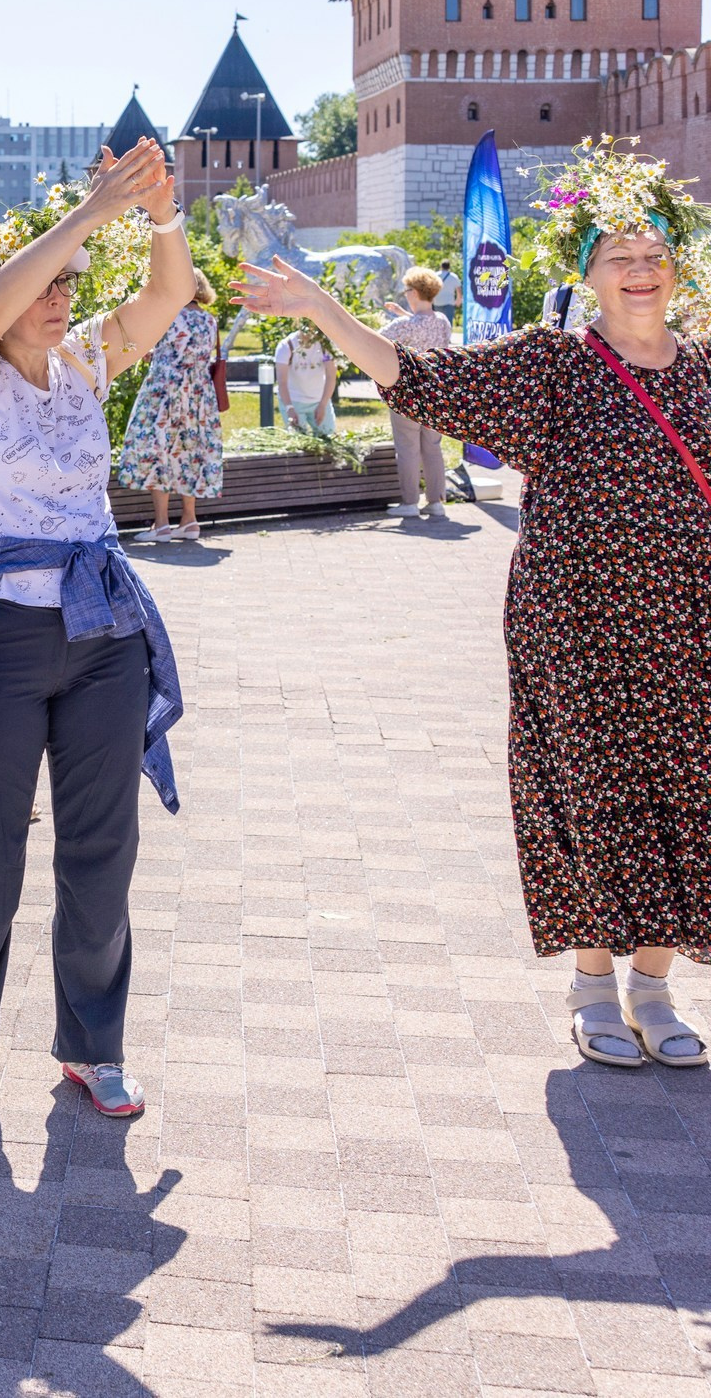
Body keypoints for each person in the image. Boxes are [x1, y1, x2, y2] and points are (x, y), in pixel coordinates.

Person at [241, 138, 710, 1072]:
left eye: (655, 253)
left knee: (686, 791)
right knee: (588, 787)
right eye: (619, 256)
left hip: (689, 625)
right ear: (588, 274)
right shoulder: (555, 364)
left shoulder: (704, 371)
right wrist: (322, 307)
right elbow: (419, 379)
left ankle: (655, 987)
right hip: (573, 625)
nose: (641, 270)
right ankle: (593, 986)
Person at [0, 141, 194, 1119]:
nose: (59, 297)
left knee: (103, 849)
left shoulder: (86, 360)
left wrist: (160, 212)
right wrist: (89, 211)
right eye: (45, 281)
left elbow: (169, 293)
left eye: (69, 283)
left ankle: (94, 1047)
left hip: (102, 627)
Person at [118, 269, 225, 542]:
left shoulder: (168, 315)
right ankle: (189, 521)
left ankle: (162, 524)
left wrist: (152, 354)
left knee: (159, 450)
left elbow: (155, 349)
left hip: (165, 392)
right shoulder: (209, 320)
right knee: (191, 452)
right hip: (198, 396)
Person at [379, 266, 454, 518]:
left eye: (407, 290)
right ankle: (436, 502)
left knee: (408, 448)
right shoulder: (442, 321)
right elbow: (422, 324)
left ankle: (410, 502)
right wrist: (404, 315)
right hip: (435, 394)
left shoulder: (403, 326)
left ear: (414, 292)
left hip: (407, 395)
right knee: (432, 448)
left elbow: (375, 341)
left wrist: (402, 317)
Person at [274, 321, 340, 434]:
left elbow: (331, 376)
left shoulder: (325, 346)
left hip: (318, 399)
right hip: (294, 400)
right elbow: (282, 382)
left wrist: (323, 405)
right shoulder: (286, 346)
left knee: (328, 434)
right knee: (299, 438)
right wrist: (289, 408)